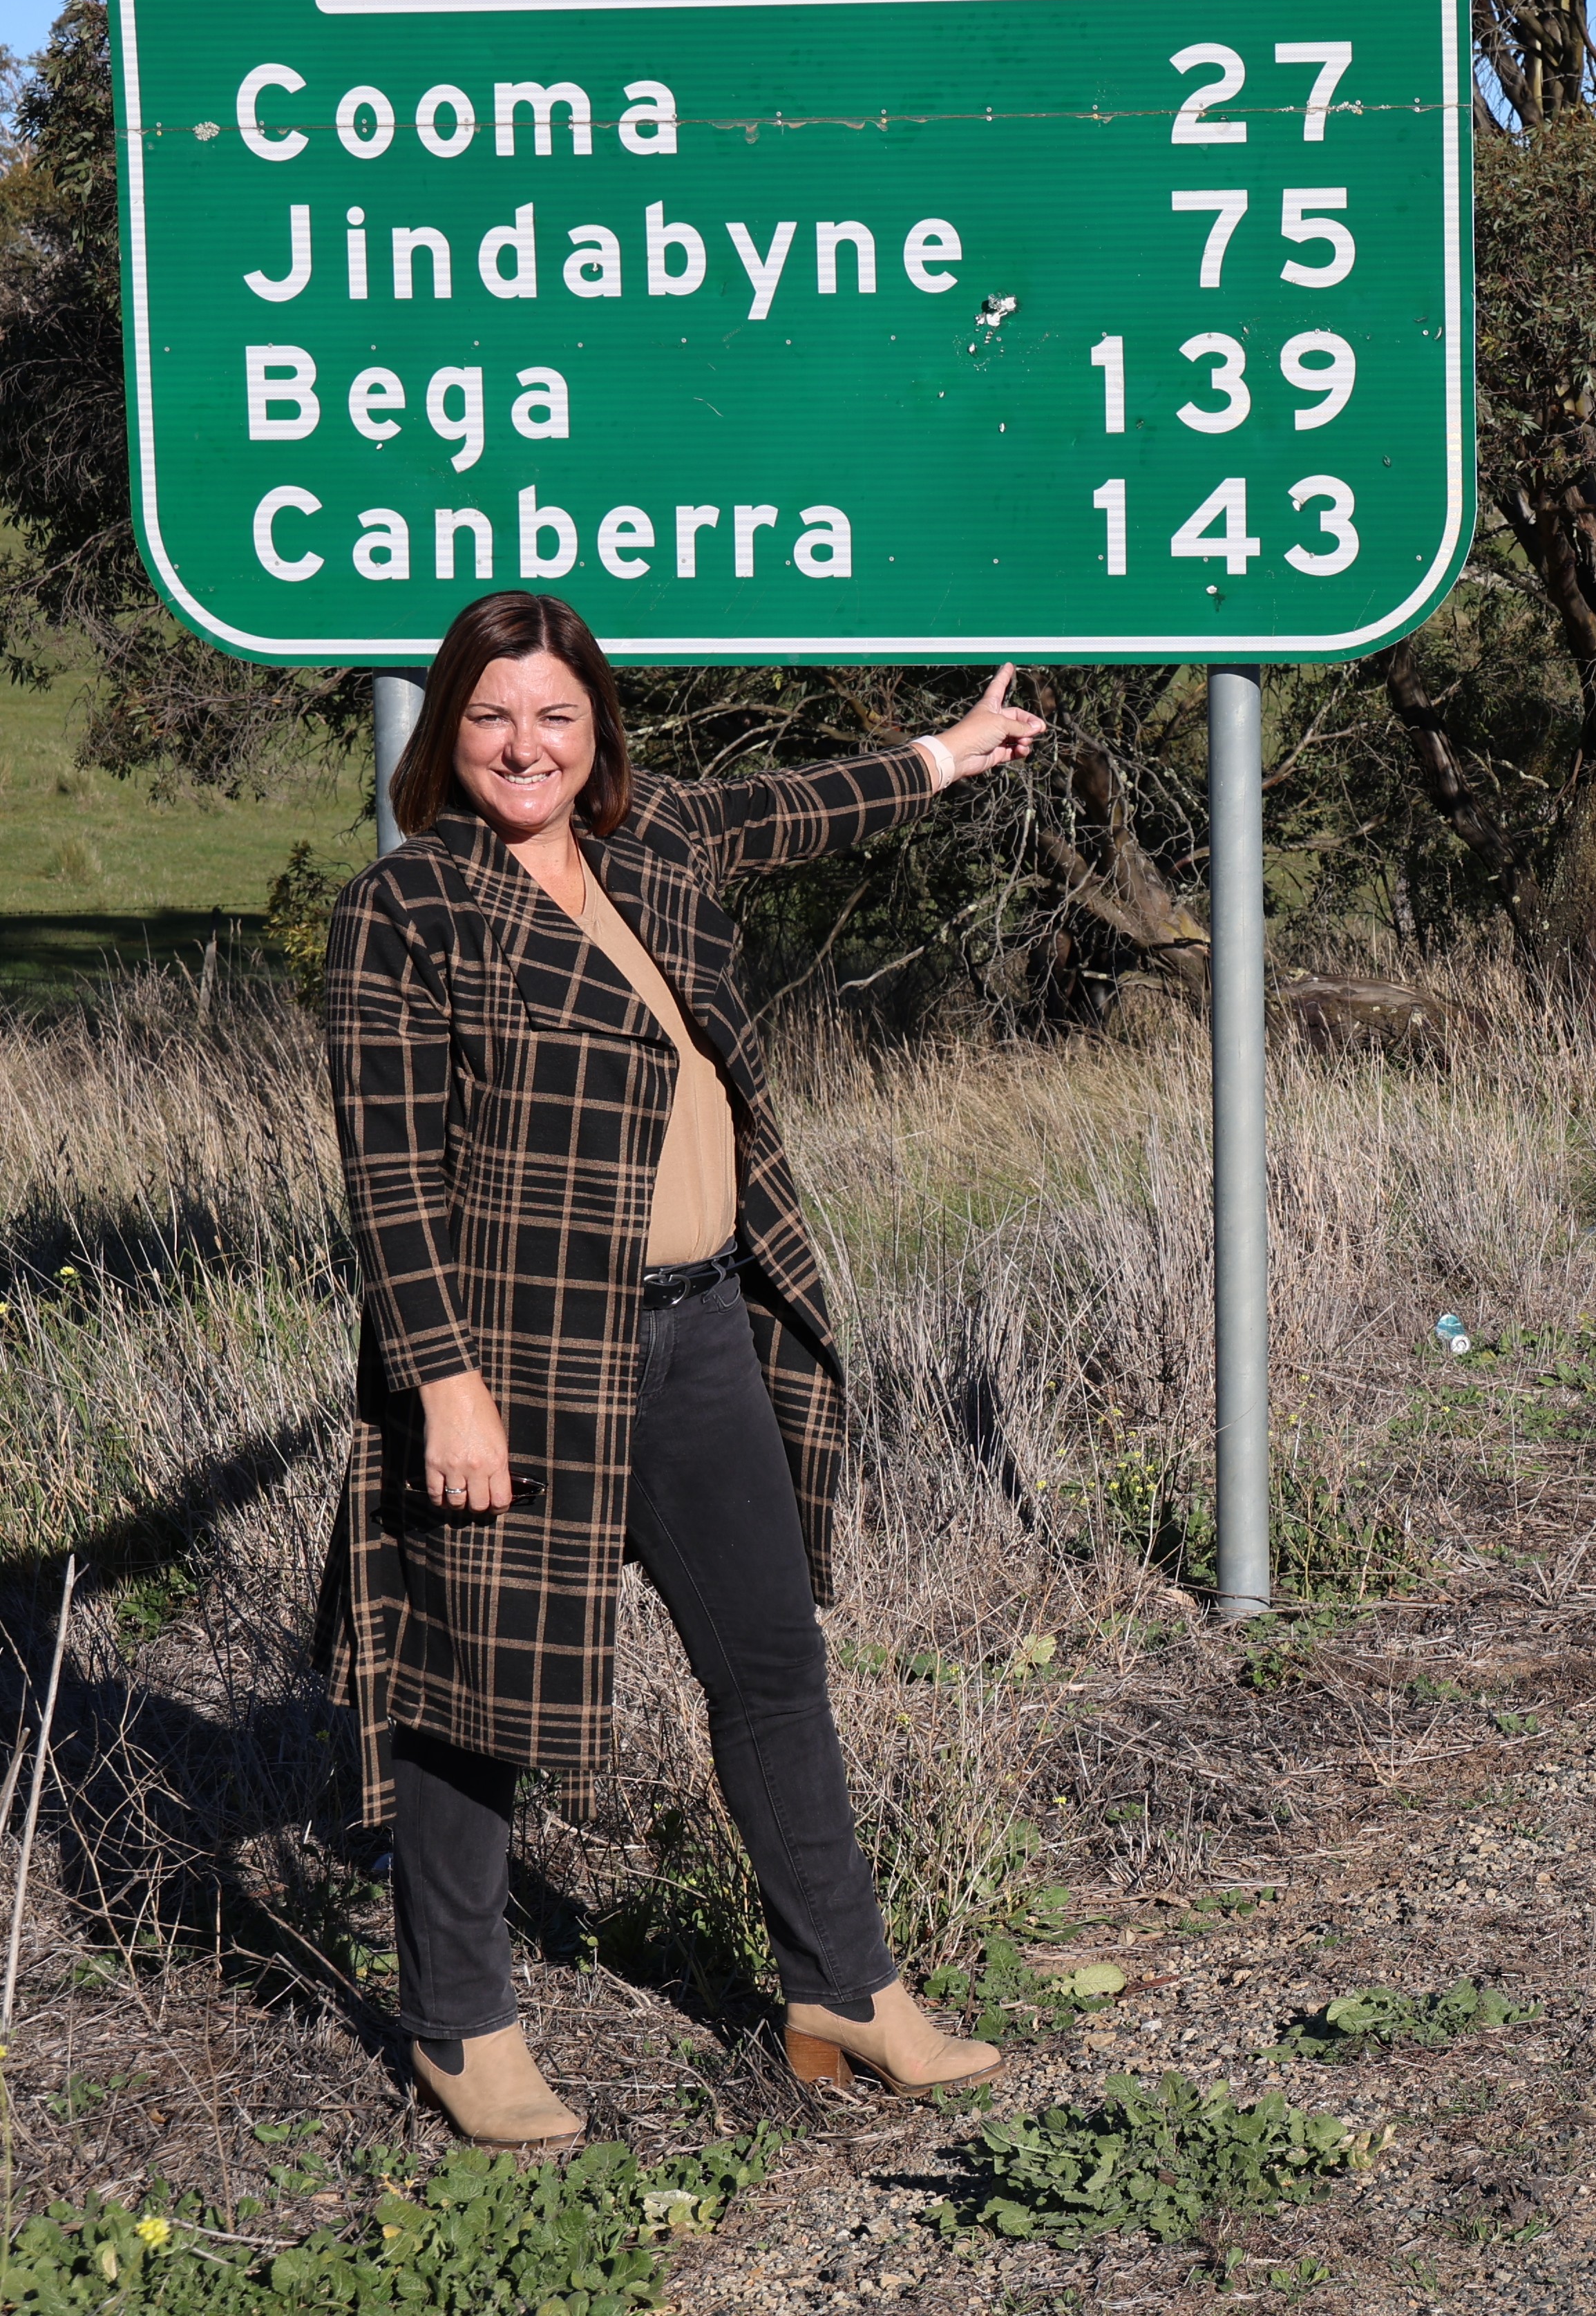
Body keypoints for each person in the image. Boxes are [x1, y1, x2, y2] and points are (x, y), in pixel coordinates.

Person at [316, 592, 1048, 2153]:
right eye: (495, 717)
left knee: (772, 1663)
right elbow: (388, 1174)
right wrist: (443, 1382)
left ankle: (843, 1987)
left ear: (598, 734)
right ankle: (463, 2022)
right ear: (450, 731)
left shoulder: (655, 848)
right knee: (470, 1698)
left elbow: (799, 803)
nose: (527, 746)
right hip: (515, 1361)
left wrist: (953, 751)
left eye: (557, 717)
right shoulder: (407, 911)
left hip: (705, 1325)